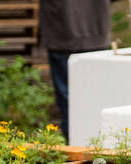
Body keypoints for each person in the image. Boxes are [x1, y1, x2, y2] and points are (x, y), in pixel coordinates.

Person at [39, 0, 111, 141]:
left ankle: (76, 147)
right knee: (96, 99)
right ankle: (95, 148)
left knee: (68, 100)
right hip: (95, 26)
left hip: (61, 27)